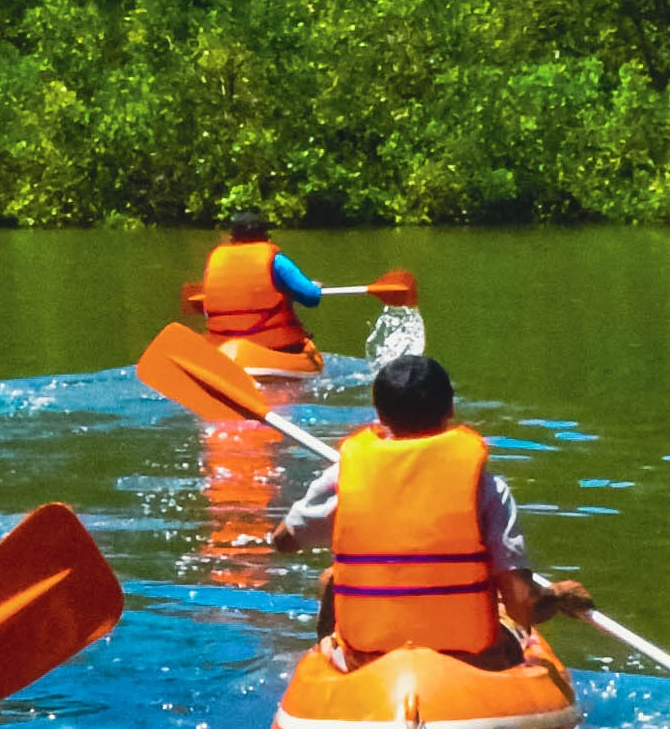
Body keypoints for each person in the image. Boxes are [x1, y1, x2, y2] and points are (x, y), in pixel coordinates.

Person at [269, 350, 592, 663]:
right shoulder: (487, 487)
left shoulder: (342, 476)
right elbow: (522, 605)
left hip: (369, 662)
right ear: (449, 408)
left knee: (333, 578)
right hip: (469, 660)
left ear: (380, 415)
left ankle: (339, 679)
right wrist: (559, 596)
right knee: (505, 612)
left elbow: (284, 541)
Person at [198, 209, 324, 356]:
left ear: (232, 237)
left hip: (223, 347)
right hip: (275, 347)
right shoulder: (277, 261)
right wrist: (315, 287)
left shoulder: (214, 263)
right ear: (265, 236)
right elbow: (311, 297)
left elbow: (207, 310)